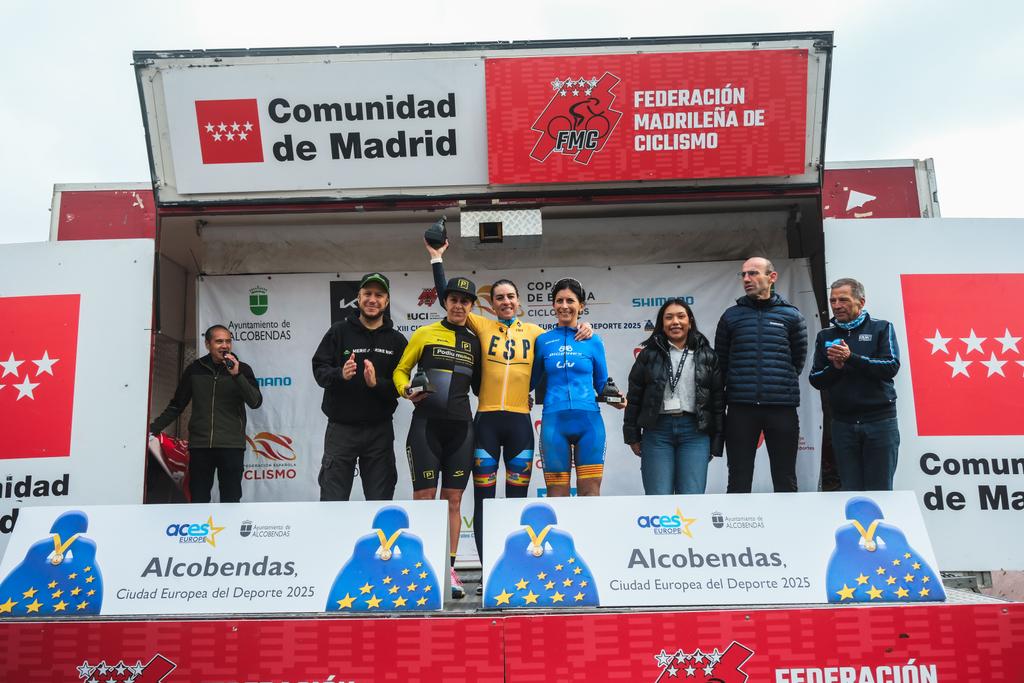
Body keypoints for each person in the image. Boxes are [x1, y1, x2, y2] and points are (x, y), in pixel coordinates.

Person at [424, 240, 593, 590]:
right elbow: (448, 296)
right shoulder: (481, 327)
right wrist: (437, 258)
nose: (505, 301)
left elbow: (567, 338)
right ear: (491, 303)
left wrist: (586, 327)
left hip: (519, 424)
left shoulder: (536, 334)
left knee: (516, 502)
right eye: (498, 297)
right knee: (484, 501)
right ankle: (488, 572)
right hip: (486, 422)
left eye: (510, 297)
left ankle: (514, 568)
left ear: (519, 301)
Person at [393, 276, 481, 599]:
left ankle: (449, 570)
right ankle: (421, 567)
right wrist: (404, 389)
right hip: (426, 427)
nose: (459, 305)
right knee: (425, 500)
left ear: (472, 306)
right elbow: (401, 370)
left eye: (465, 301)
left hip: (461, 429)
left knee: (453, 501)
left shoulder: (474, 342)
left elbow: (482, 388)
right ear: (445, 302)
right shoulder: (425, 333)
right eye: (453, 299)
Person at [311, 273, 408, 501]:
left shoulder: (397, 341)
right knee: (333, 498)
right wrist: (340, 374)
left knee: (380, 498)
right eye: (367, 294)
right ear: (358, 298)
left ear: (386, 301)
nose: (372, 299)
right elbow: (319, 370)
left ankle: (379, 538)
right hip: (341, 429)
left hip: (379, 431)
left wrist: (377, 384)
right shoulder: (338, 332)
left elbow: (400, 387)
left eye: (379, 295)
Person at [714, 257, 807, 493]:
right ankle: (738, 528)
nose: (747, 279)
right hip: (740, 408)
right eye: (744, 275)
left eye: (753, 273)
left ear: (771, 277)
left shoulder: (792, 316)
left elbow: (797, 362)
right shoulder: (730, 316)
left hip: (781, 407)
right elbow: (721, 363)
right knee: (738, 476)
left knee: (785, 476)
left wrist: (774, 385)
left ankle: (786, 527)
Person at [532, 278, 624, 497]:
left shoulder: (593, 341)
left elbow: (602, 384)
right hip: (554, 422)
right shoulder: (542, 341)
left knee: (591, 493)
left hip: (589, 422)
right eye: (559, 301)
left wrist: (617, 397)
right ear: (553, 305)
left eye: (570, 301)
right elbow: (531, 381)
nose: (564, 305)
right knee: (556, 493)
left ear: (581, 306)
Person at [150, 324, 263, 503]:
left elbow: (255, 402)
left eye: (228, 341)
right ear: (207, 344)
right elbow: (176, 405)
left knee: (231, 498)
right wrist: (152, 429)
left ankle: (230, 530)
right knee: (199, 498)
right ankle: (201, 532)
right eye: (219, 341)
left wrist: (236, 375)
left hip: (231, 445)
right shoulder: (194, 369)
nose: (224, 346)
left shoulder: (243, 369)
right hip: (200, 446)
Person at [623, 298, 725, 495]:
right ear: (662, 324)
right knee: (658, 497)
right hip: (657, 432)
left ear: (690, 321)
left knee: (692, 496)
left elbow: (718, 402)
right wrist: (632, 435)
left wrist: (716, 441)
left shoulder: (708, 356)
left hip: (695, 433)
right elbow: (634, 398)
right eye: (668, 318)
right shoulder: (648, 355)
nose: (675, 322)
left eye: (681, 316)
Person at [809, 278, 900, 491]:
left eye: (843, 299)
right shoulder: (826, 336)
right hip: (843, 424)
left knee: (881, 490)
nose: (837, 305)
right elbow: (815, 379)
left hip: (880, 422)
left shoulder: (882, 328)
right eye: (833, 300)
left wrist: (852, 358)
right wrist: (836, 367)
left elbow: (891, 366)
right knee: (850, 490)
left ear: (861, 301)